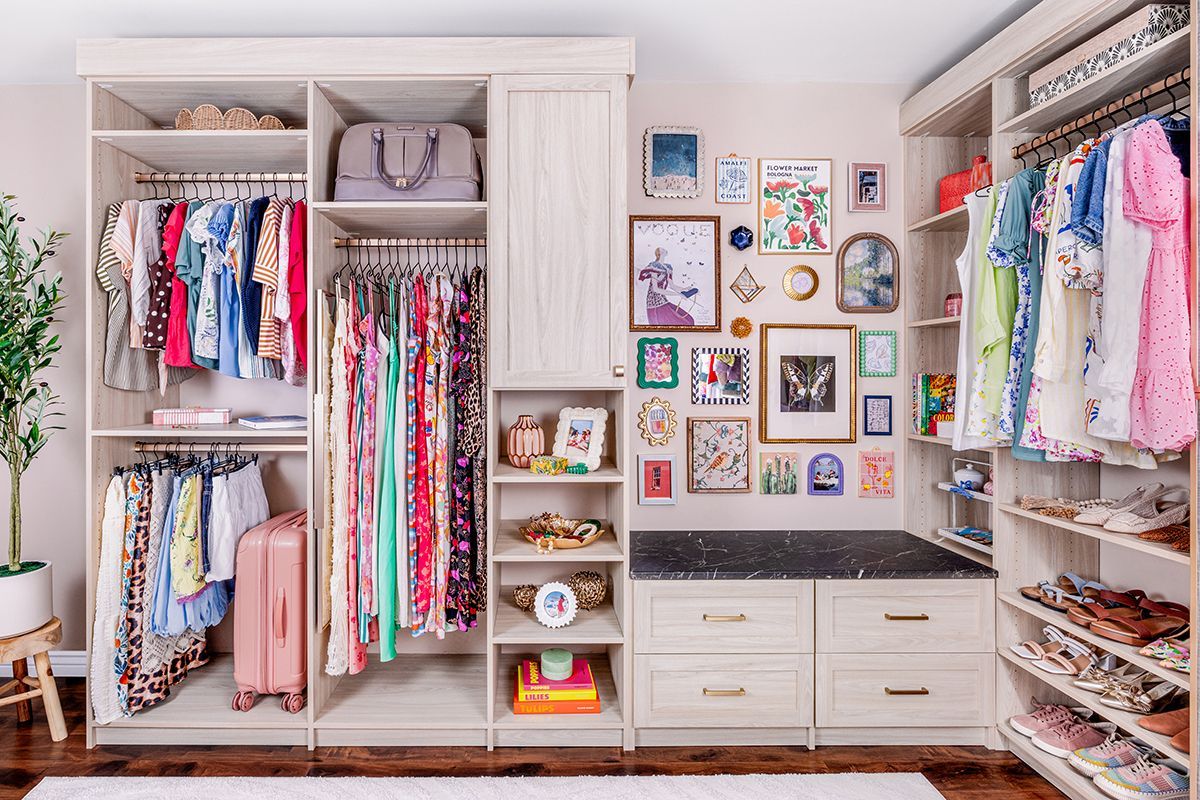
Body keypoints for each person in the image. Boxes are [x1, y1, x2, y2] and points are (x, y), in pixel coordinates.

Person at [638, 247, 698, 326]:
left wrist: (684, 289)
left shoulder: (668, 267)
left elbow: (672, 285)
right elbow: (656, 289)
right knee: (684, 323)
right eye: (661, 249)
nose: (664, 249)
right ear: (658, 253)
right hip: (655, 302)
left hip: (663, 299)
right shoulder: (654, 265)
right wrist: (678, 294)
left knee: (689, 321)